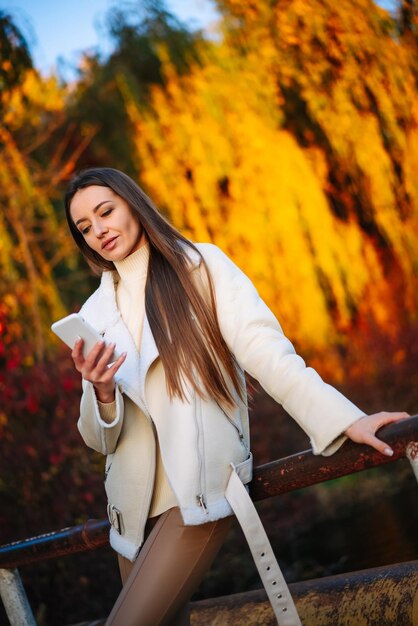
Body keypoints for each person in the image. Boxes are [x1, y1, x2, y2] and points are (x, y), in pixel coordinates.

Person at [64, 167, 408, 626]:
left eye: (105, 212)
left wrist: (347, 419)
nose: (99, 230)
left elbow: (268, 355)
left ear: (132, 204)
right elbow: (98, 440)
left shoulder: (200, 267)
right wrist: (101, 391)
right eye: (85, 227)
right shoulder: (93, 313)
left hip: (199, 493)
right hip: (131, 514)